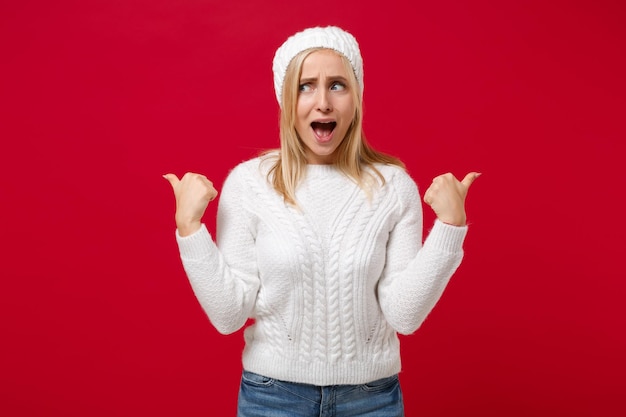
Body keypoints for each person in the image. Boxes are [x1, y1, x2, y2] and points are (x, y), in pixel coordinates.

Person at [164, 25, 479, 417]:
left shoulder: (394, 187)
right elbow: (229, 315)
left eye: (337, 85)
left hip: (372, 399)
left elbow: (404, 315)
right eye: (306, 86)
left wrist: (450, 229)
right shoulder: (249, 184)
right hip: (272, 398)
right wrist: (190, 229)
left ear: (357, 97)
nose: (323, 103)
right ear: (286, 99)